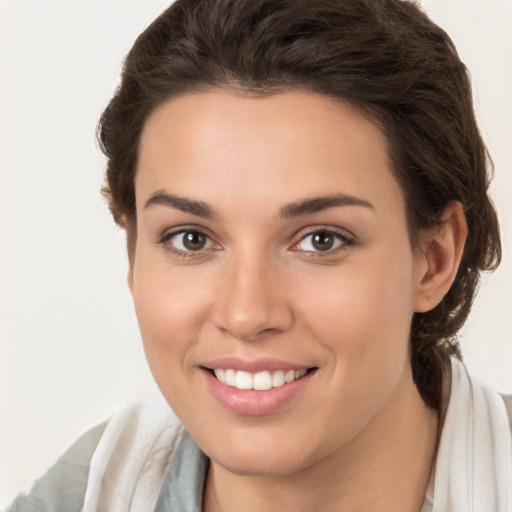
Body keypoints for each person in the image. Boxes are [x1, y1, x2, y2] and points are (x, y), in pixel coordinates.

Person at [6, 0, 511, 511]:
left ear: (435, 258)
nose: (247, 314)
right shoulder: (76, 497)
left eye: (321, 239)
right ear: (133, 252)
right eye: (191, 239)